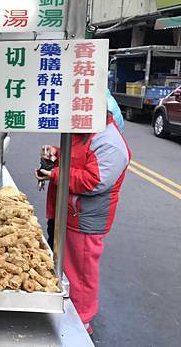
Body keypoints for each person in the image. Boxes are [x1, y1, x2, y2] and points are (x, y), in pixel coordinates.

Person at [35, 110, 131, 335]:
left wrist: (54, 175)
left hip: (85, 219)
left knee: (81, 271)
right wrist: (56, 155)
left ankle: (81, 323)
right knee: (64, 265)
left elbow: (94, 181)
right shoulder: (85, 132)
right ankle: (62, 309)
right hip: (66, 212)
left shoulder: (110, 143)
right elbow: (77, 158)